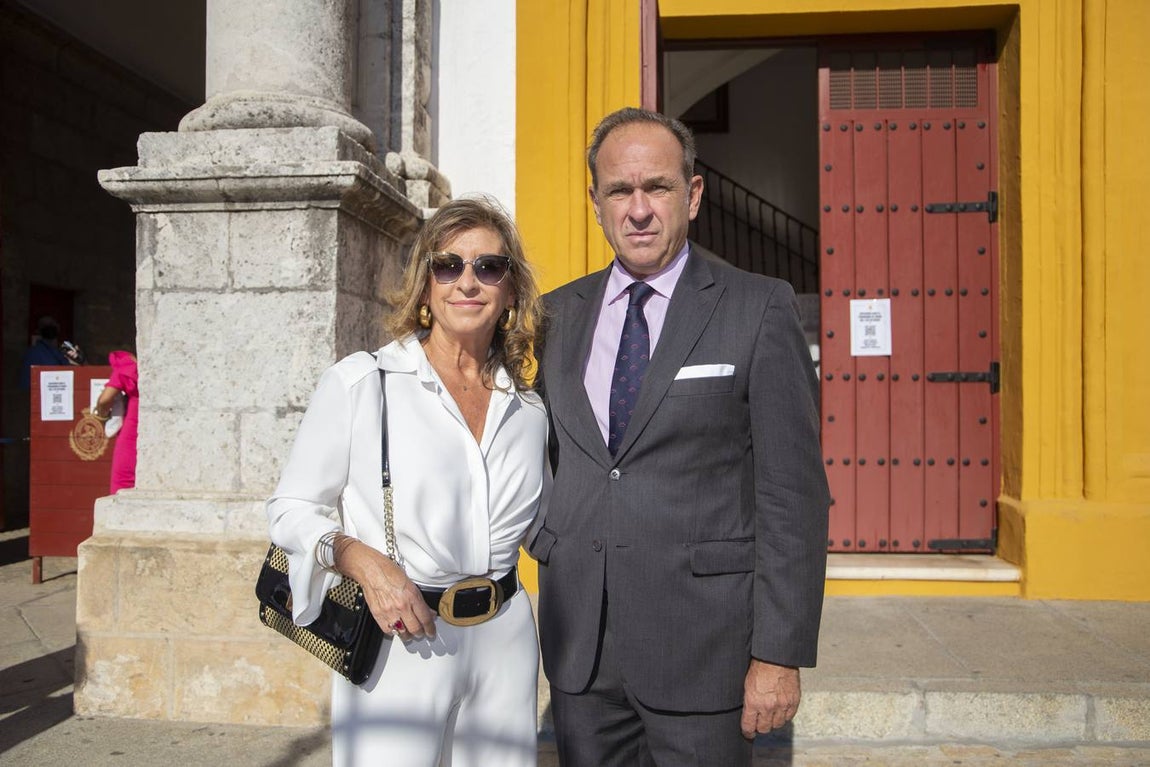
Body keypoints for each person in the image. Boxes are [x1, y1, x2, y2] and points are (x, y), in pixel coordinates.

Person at [528, 107, 831, 766]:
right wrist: (545, 540)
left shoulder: (758, 307)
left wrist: (778, 653)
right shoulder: (556, 316)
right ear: (596, 203)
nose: (638, 209)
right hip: (582, 655)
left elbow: (793, 496)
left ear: (692, 195)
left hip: (703, 654)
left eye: (656, 187)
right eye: (619, 191)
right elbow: (540, 451)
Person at [267, 196, 548, 767]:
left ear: (511, 290)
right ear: (424, 286)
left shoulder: (529, 409)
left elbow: (546, 528)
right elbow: (290, 508)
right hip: (401, 637)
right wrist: (362, 561)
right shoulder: (362, 384)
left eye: (489, 267)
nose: (467, 281)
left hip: (507, 639)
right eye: (448, 265)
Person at [92, 351, 138, 493]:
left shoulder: (125, 366)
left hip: (132, 427)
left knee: (123, 478)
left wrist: (101, 412)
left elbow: (105, 399)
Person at [20, 315, 83, 389]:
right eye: (45, 325)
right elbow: (26, 384)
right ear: (39, 330)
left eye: (51, 324)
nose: (49, 327)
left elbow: (79, 371)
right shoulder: (33, 353)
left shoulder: (65, 351)